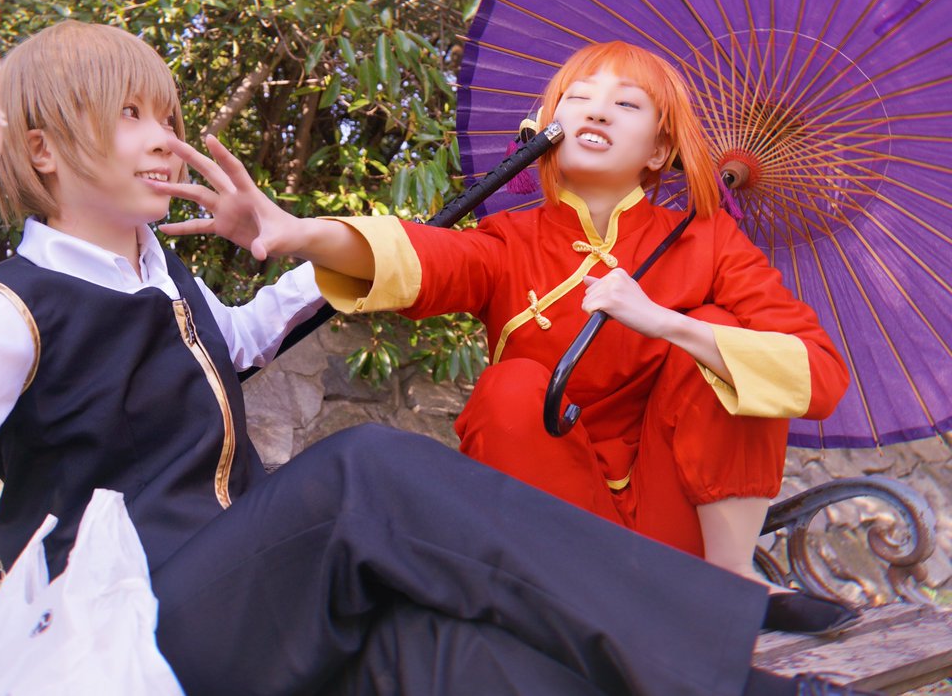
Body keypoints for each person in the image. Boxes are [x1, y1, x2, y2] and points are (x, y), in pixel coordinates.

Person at [0, 21, 872, 696]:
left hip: (247, 608)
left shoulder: (160, 276)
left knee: (464, 657)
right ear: (42, 149)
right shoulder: (14, 304)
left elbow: (238, 337)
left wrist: (297, 241)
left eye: (167, 115)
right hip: (130, 635)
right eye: (130, 115)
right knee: (366, 468)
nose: (165, 138)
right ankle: (731, 625)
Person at [151, 41, 855, 637]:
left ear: (661, 149)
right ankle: (557, 608)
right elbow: (426, 257)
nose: (597, 111)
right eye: (577, 98)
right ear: (546, 127)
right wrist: (299, 232)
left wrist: (668, 322)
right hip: (561, 536)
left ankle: (731, 583)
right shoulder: (510, 239)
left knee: (728, 338)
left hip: (678, 528)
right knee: (511, 386)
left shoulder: (711, 241)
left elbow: (818, 374)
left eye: (627, 104)